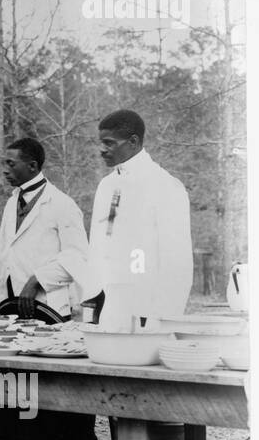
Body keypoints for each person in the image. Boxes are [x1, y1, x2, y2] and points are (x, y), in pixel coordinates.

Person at [82, 109, 193, 328]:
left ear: (133, 141)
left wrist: (162, 320)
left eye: (109, 143)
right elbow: (98, 248)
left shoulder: (165, 186)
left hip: (147, 312)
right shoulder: (107, 186)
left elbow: (177, 263)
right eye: (101, 142)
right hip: (108, 310)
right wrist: (91, 305)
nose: (101, 150)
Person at [0, 138, 90, 320]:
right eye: (4, 164)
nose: (5, 170)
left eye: (11, 164)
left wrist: (37, 280)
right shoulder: (11, 203)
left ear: (32, 166)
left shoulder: (63, 205)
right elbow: (3, 254)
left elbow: (78, 258)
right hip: (9, 307)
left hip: (46, 306)